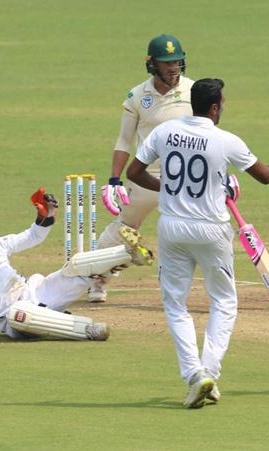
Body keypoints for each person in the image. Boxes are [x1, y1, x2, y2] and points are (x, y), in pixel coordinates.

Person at [127, 78, 269, 408]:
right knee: (224, 302)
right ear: (213, 108)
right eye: (222, 104)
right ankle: (208, 370)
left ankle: (195, 376)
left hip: (172, 228)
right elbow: (267, 176)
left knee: (174, 305)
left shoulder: (164, 132)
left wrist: (168, 190)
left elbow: (134, 172)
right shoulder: (225, 140)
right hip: (212, 230)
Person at [0, 188, 153, 341]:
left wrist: (45, 217)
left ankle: (128, 254)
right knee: (20, 313)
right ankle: (88, 330)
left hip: (39, 292)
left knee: (77, 265)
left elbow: (32, 236)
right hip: (14, 322)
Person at [92, 33, 195, 302]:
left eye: (176, 61)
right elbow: (124, 140)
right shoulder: (137, 95)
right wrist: (114, 180)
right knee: (122, 229)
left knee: (189, 231)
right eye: (166, 62)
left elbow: (209, 139)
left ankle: (177, 288)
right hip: (145, 177)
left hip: (185, 178)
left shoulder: (195, 91)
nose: (172, 67)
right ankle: (97, 280)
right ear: (153, 64)